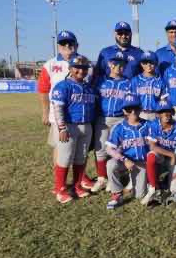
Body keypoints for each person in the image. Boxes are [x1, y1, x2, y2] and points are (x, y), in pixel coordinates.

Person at [37, 30, 93, 189]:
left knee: (80, 152)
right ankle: (60, 184)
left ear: (77, 45)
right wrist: (45, 112)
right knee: (61, 151)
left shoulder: (87, 64)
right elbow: (43, 89)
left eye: (71, 43)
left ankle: (80, 179)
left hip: (81, 116)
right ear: (58, 46)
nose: (67, 46)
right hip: (60, 117)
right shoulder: (50, 64)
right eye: (63, 43)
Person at [50, 55, 96, 204]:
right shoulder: (63, 86)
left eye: (84, 68)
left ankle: (77, 186)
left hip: (86, 125)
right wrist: (62, 128)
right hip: (69, 126)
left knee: (81, 158)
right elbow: (58, 109)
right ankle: (60, 189)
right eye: (77, 68)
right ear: (70, 68)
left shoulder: (88, 87)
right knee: (64, 158)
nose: (80, 71)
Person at [93, 52, 131, 192]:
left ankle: (114, 178)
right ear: (110, 64)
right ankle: (102, 179)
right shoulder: (101, 81)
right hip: (102, 118)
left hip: (119, 118)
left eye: (122, 64)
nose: (119, 66)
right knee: (101, 149)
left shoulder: (127, 82)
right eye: (116, 63)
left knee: (117, 149)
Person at [105, 94, 150, 210]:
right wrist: (124, 159)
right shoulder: (119, 127)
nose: (133, 112)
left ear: (141, 108)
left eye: (136, 108)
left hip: (142, 164)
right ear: (124, 111)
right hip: (126, 161)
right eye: (130, 109)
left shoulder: (149, 125)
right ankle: (117, 193)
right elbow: (109, 149)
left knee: (139, 196)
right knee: (111, 164)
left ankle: (150, 182)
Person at [144, 98, 176, 205]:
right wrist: (170, 154)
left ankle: (175, 179)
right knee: (151, 156)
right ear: (157, 114)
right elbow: (153, 146)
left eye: (168, 111)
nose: (166, 114)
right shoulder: (153, 125)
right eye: (162, 111)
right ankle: (153, 188)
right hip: (162, 156)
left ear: (172, 112)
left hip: (175, 157)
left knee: (175, 189)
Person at [130, 51, 165, 121]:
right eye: (145, 63)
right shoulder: (135, 80)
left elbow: (163, 100)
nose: (148, 65)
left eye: (151, 62)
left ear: (156, 63)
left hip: (155, 114)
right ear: (141, 64)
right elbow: (131, 100)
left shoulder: (161, 81)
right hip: (140, 113)